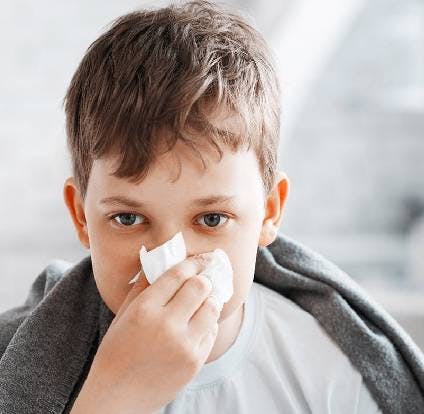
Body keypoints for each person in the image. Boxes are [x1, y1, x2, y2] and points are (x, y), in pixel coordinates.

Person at [1, 1, 423, 413]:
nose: (171, 263)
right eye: (127, 218)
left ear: (269, 211)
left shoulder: (330, 372)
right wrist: (116, 394)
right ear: (81, 217)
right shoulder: (28, 362)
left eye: (212, 219)